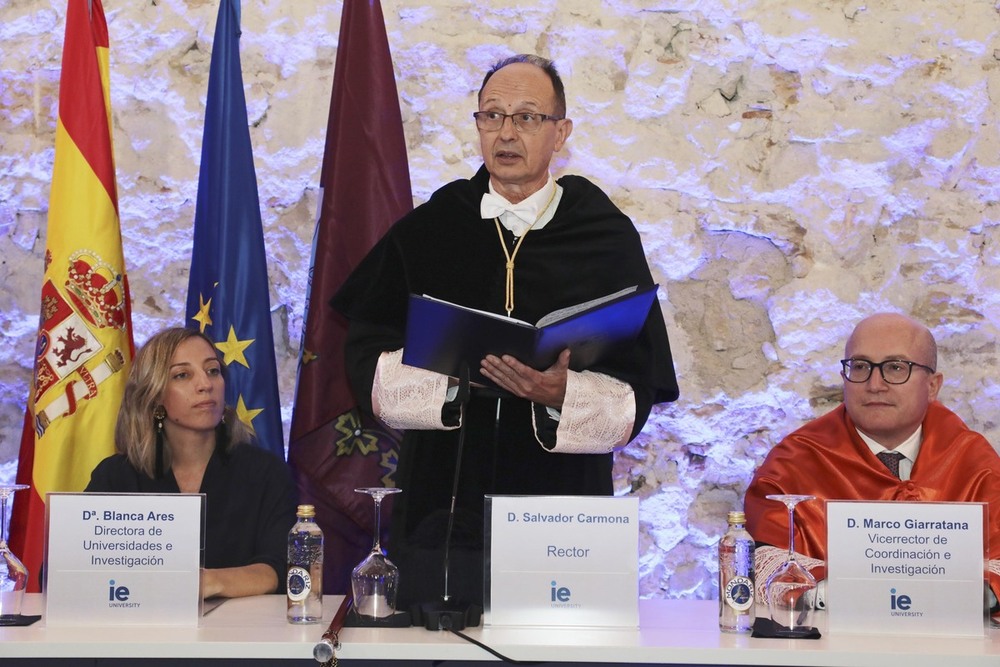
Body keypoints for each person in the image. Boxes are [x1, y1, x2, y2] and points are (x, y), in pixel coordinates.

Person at [331, 54, 678, 611]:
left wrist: (565, 394)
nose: (507, 132)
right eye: (491, 116)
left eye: (527, 117)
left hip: (562, 500)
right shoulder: (434, 228)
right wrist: (450, 384)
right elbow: (364, 349)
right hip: (446, 496)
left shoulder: (604, 235)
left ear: (560, 132)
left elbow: (640, 381)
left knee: (557, 643)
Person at [744, 312, 1000, 612]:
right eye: (861, 366)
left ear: (932, 386)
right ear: (844, 378)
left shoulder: (973, 462)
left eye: (895, 367)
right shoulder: (794, 462)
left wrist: (973, 593)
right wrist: (845, 592)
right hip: (828, 648)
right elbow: (762, 562)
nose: (875, 384)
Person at [86, 327, 298, 599]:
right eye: (182, 375)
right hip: (140, 632)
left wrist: (209, 582)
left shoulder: (265, 472)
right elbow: (62, 571)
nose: (205, 384)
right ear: (155, 395)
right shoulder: (116, 476)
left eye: (213, 371)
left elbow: (285, 568)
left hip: (241, 634)